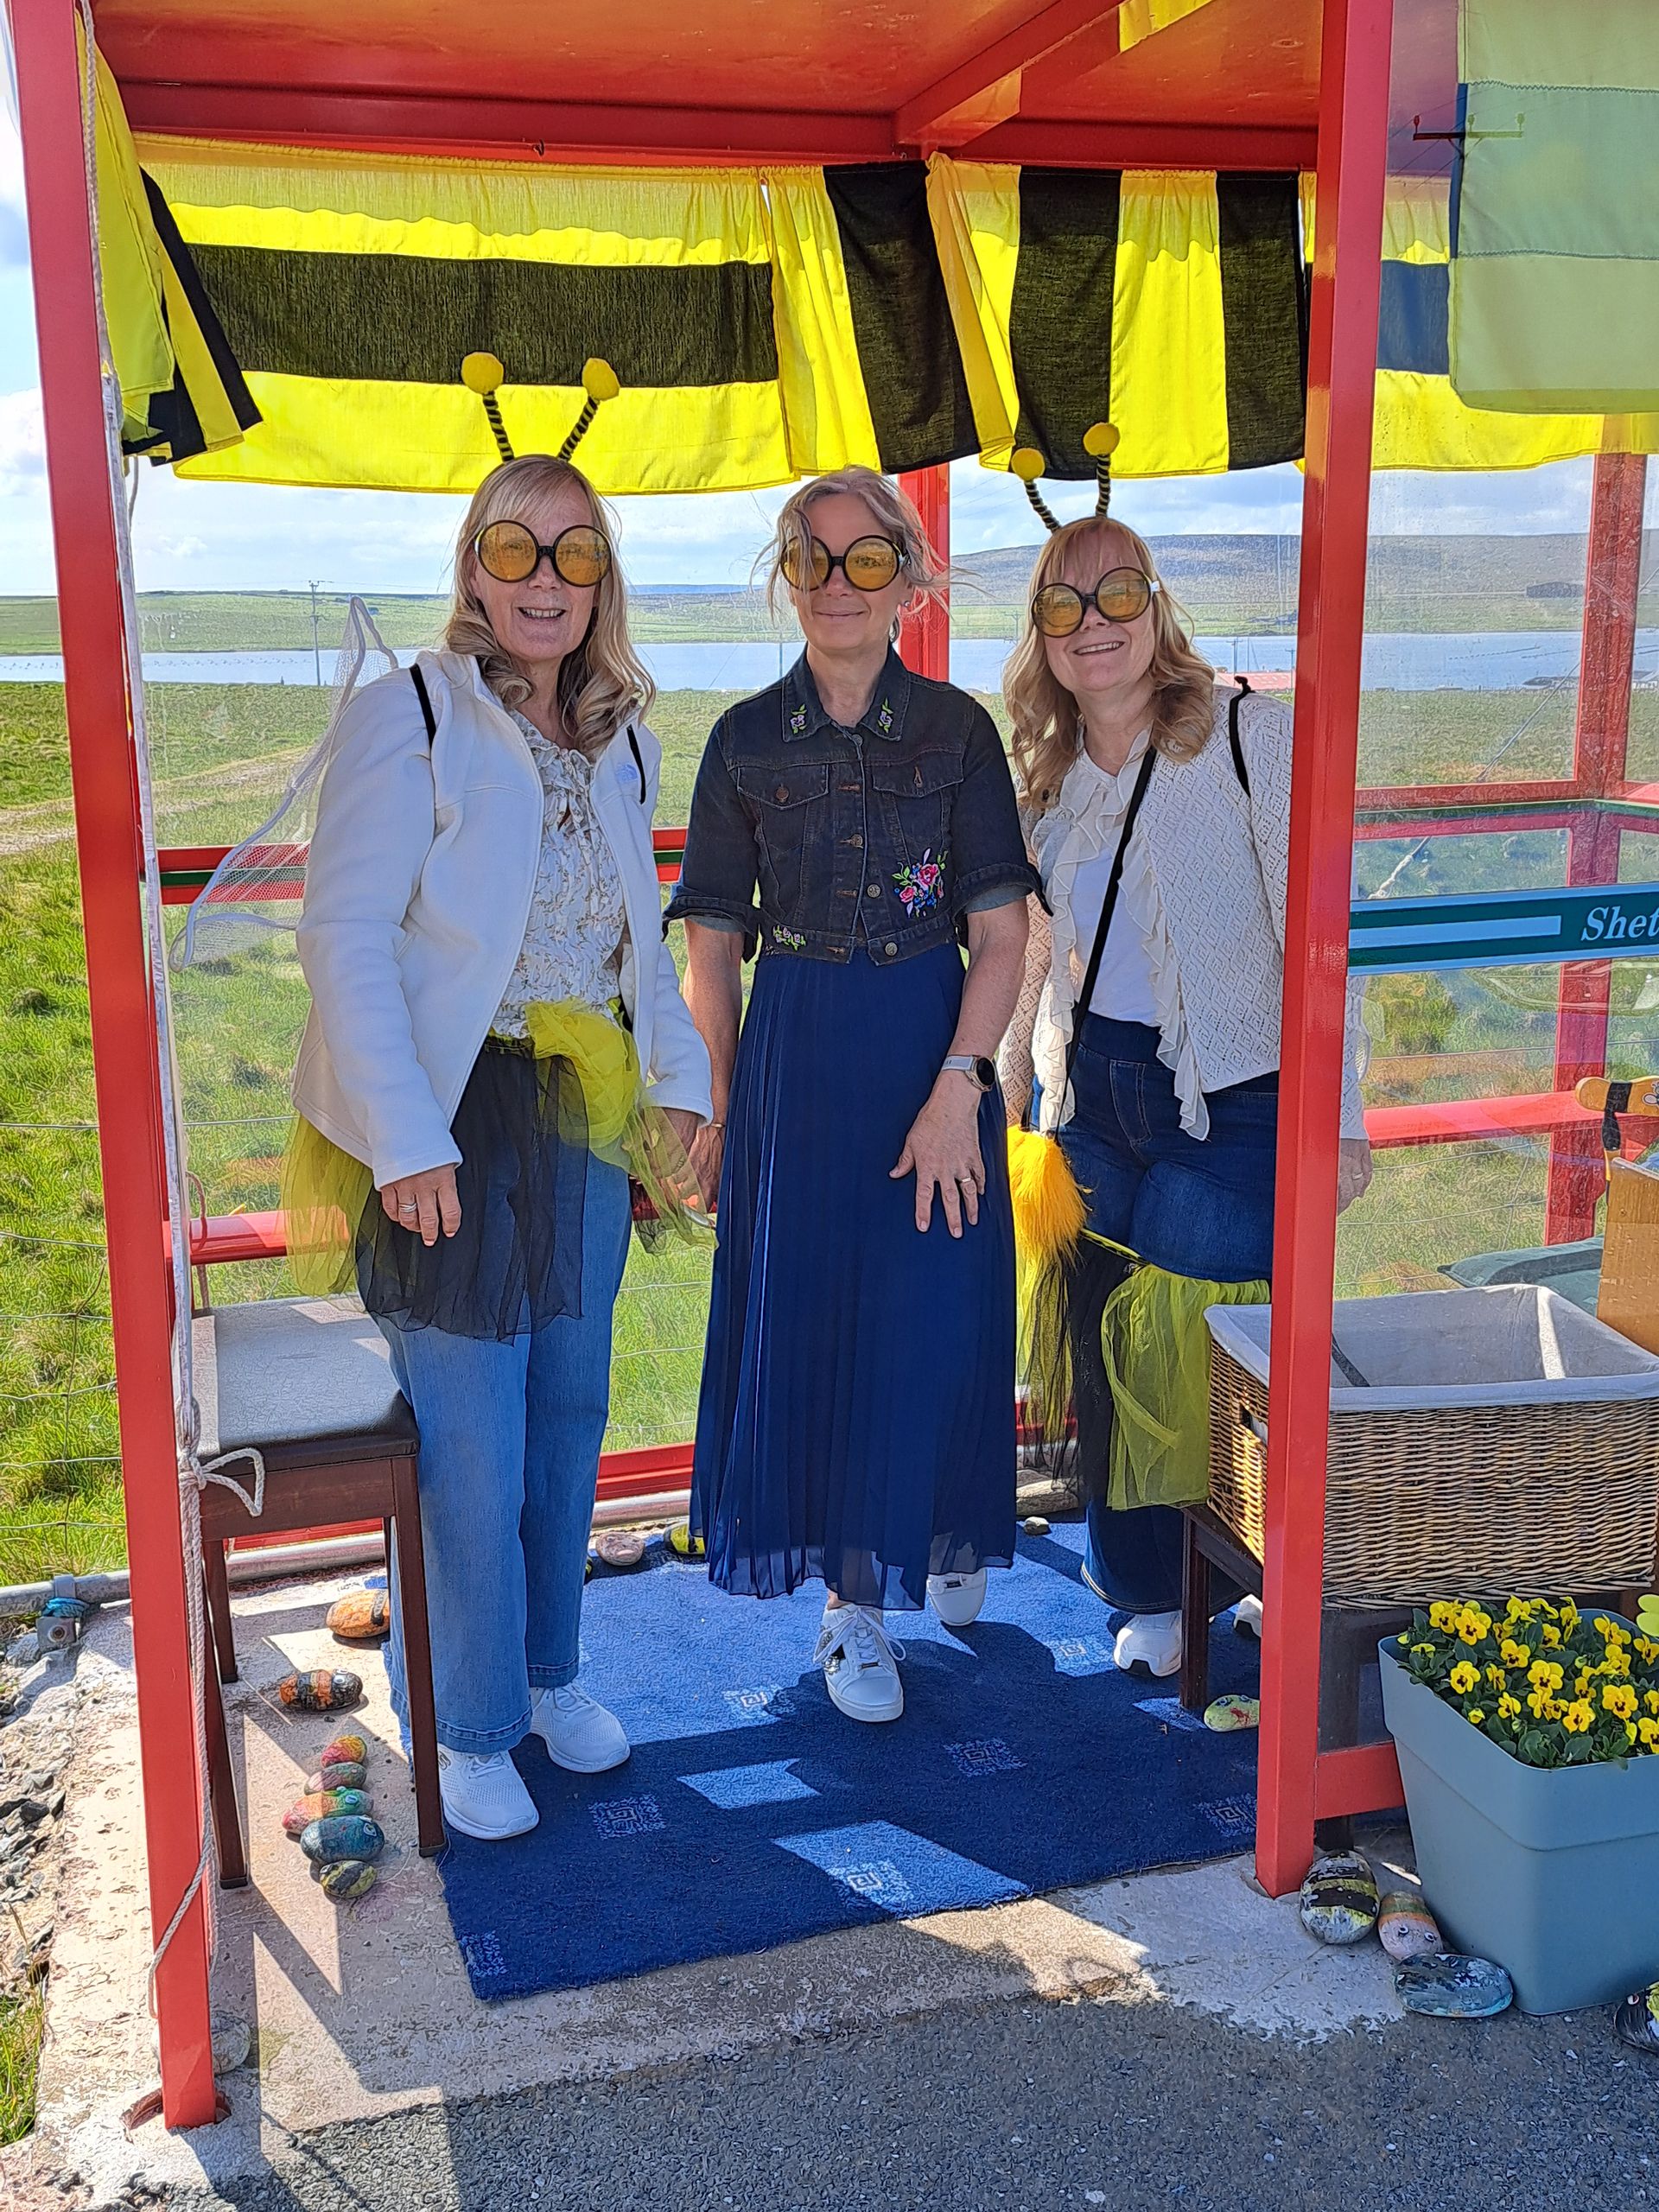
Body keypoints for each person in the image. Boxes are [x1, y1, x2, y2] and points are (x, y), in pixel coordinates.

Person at [285, 450, 713, 1837]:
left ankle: (546, 1676)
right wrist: (406, 1138)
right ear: (474, 565)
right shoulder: (410, 715)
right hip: (449, 1116)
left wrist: (680, 1085)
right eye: (516, 549)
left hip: (580, 1110)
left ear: (602, 579)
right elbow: (344, 937)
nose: (545, 580)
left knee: (569, 1413)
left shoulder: (622, 737)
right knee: (471, 1437)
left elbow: (636, 943)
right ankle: (469, 1726)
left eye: (575, 552)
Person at [667, 467, 1040, 1723]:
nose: (839, 583)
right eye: (814, 559)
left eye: (866, 558)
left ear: (908, 582)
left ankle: (939, 1523)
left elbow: (1002, 937)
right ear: (788, 578)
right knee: (824, 1318)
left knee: (936, 1307)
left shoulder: (959, 732)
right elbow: (713, 947)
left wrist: (958, 1087)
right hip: (800, 1057)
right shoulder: (742, 741)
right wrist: (720, 1107)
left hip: (934, 1045)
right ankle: (852, 1609)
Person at [1000, 511, 1372, 1681]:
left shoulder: (1250, 736)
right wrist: (1008, 1081)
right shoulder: (1045, 776)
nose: (1092, 624)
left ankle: (1260, 1565)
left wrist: (1340, 1121)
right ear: (1041, 634)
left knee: (1217, 1349)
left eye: (1117, 595)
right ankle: (1150, 1589)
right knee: (1110, 1347)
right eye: (1063, 604)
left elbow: (1323, 939)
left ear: (1156, 608)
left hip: (1232, 1093)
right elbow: (1035, 943)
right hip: (1087, 1092)